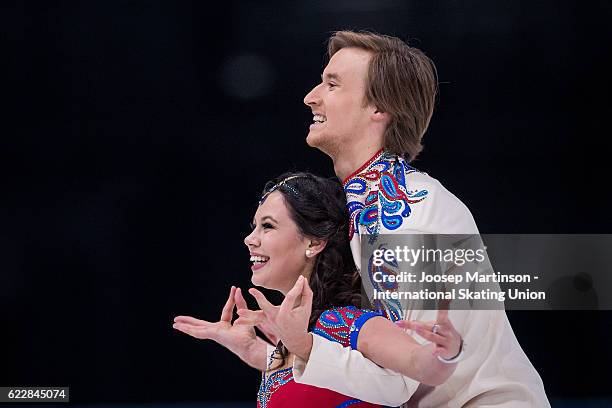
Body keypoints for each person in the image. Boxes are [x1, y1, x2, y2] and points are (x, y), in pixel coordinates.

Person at [244, 31, 551, 407]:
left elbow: (398, 378)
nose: (311, 96)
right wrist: (272, 354)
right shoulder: (369, 204)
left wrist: (303, 346)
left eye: (332, 84)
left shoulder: (402, 221)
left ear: (379, 109)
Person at [173, 172, 464, 407]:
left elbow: (421, 366)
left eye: (268, 226)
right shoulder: (297, 339)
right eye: (254, 227)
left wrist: (445, 351)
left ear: (313, 243)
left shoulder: (346, 323)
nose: (250, 238)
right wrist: (256, 350)